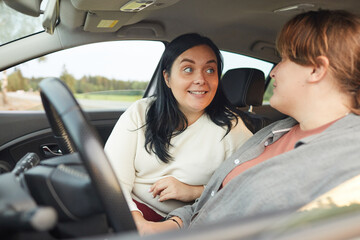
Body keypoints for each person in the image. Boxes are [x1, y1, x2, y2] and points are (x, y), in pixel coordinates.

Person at [137, 10, 360, 235]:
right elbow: (213, 201)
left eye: (283, 59)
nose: (273, 72)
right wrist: (169, 226)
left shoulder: (349, 158)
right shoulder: (275, 132)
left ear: (316, 69)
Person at [104, 33, 252, 226]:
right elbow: (112, 179)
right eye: (188, 69)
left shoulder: (231, 128)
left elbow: (249, 183)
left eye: (210, 70)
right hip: (126, 210)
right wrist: (137, 223)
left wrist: (195, 191)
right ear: (167, 78)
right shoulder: (140, 113)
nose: (200, 79)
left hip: (186, 224)